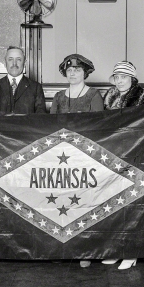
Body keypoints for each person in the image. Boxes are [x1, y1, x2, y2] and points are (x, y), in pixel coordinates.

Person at [50, 53, 103, 268]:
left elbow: (99, 127)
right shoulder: (58, 97)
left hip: (84, 159)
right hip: (62, 159)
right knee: (60, 203)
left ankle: (85, 250)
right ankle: (62, 248)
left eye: (77, 70)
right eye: (69, 70)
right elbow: (50, 127)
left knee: (84, 203)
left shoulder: (94, 95)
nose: (73, 73)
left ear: (85, 73)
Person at [101, 60, 144, 270]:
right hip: (111, 155)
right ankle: (115, 250)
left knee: (130, 205)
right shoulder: (109, 96)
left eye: (124, 77)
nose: (120, 81)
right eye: (117, 77)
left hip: (132, 156)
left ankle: (131, 253)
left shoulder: (141, 97)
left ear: (132, 78)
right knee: (112, 205)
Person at [0, 46, 46, 114]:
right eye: (10, 59)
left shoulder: (36, 88)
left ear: (25, 63)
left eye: (19, 59)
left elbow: (40, 120)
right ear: (5, 62)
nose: (14, 64)